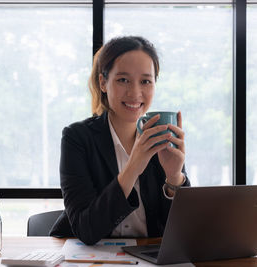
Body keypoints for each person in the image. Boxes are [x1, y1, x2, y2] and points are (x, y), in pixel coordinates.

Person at [50, 36, 190, 245]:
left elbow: (184, 232)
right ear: (103, 82)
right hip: (90, 257)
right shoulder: (77, 138)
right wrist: (133, 167)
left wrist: (174, 178)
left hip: (146, 257)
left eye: (145, 81)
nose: (135, 93)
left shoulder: (160, 136)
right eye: (123, 80)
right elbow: (86, 229)